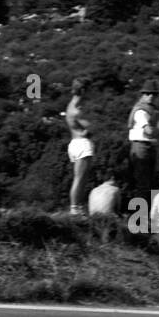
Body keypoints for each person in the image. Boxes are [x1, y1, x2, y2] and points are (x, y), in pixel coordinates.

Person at [126, 79, 159, 206]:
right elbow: (149, 130)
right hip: (140, 146)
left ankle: (147, 214)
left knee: (151, 182)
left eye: (153, 94)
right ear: (142, 94)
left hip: (149, 146)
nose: (150, 96)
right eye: (147, 93)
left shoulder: (153, 110)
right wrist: (157, 132)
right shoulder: (140, 111)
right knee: (142, 183)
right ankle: (139, 216)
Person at [65, 77, 94, 216]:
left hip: (74, 142)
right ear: (82, 90)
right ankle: (75, 208)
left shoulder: (71, 105)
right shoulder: (77, 110)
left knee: (81, 178)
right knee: (80, 178)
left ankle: (77, 207)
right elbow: (90, 126)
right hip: (81, 143)